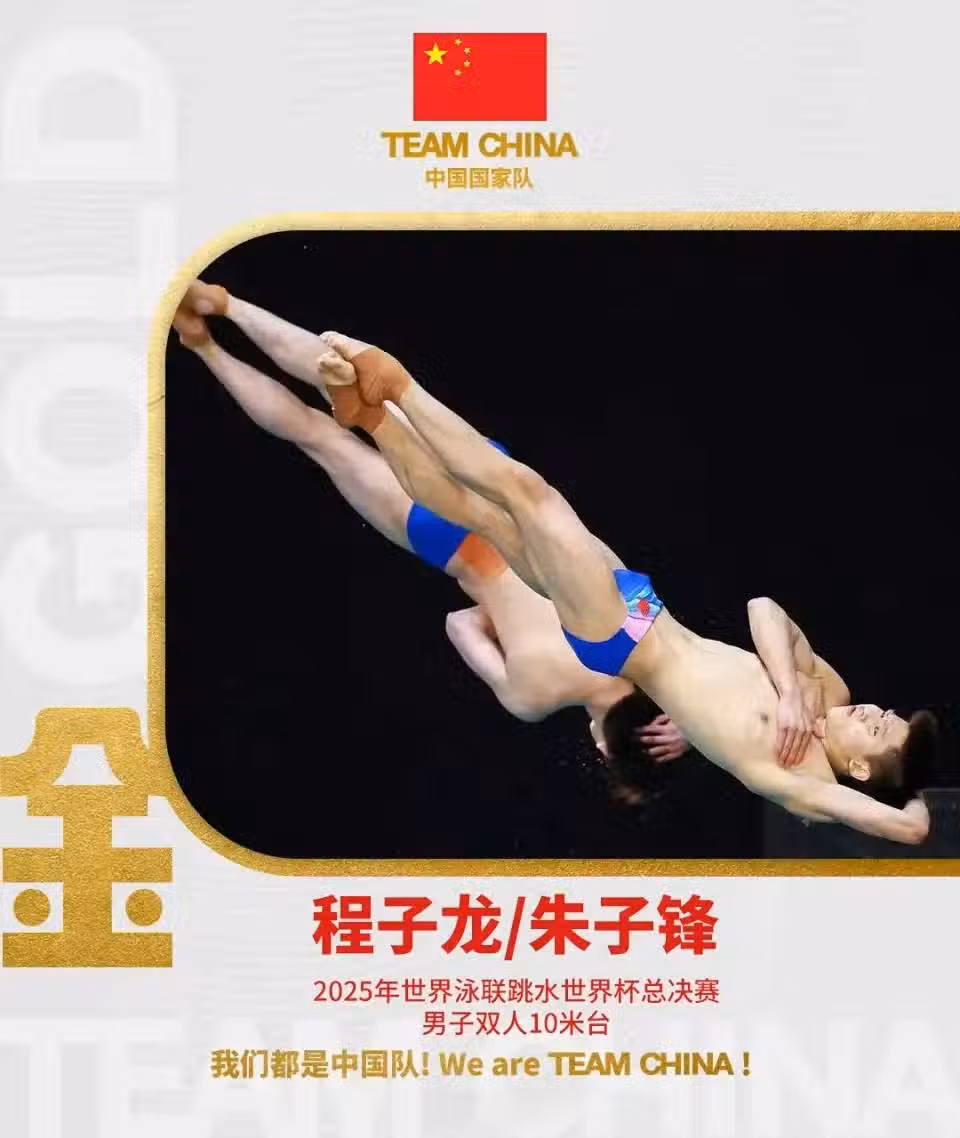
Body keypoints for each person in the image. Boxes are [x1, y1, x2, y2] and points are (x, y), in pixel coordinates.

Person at [312, 329, 943, 845]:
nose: (876, 713)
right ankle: (374, 419)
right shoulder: (826, 691)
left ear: (858, 768)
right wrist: (790, 693)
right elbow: (764, 609)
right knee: (484, 516)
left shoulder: (803, 781)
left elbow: (911, 827)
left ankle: (400, 388)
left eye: (879, 731)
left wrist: (907, 788)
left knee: (529, 495)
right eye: (888, 714)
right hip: (646, 607)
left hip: (619, 636)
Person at [171, 284, 692, 795]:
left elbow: (715, 673)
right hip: (453, 544)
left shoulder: (642, 628)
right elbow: (459, 623)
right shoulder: (532, 697)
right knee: (318, 437)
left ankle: (226, 304)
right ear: (603, 748)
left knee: (366, 388)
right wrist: (505, 611)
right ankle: (204, 345)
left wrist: (687, 722)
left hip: (491, 492)